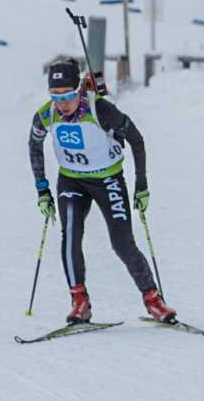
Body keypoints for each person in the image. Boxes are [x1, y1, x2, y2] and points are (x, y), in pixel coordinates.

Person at [28, 59, 175, 325]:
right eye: (55, 96)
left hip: (107, 180)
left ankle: (153, 299)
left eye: (69, 95)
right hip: (71, 182)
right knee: (70, 234)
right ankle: (79, 302)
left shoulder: (101, 110)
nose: (62, 103)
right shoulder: (46, 115)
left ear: (79, 91)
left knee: (122, 244)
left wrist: (141, 185)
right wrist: (43, 190)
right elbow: (34, 144)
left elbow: (136, 139)